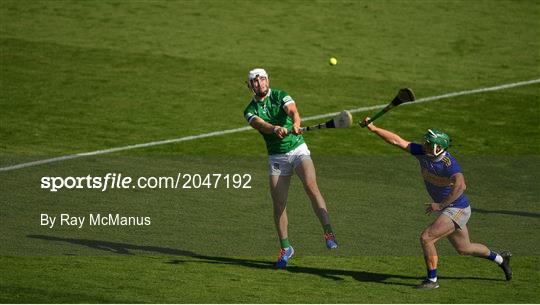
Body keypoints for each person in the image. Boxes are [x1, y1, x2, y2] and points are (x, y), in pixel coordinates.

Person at [361, 117, 512, 289]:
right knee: (465, 248)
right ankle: (501, 259)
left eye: (428, 143)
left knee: (427, 238)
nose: (424, 145)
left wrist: (440, 205)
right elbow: (397, 141)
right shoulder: (423, 153)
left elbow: (461, 185)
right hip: (451, 209)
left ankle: (432, 280)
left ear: (438, 148)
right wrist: (373, 128)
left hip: (457, 209)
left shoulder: (449, 163)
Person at [243, 68, 338, 269]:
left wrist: (296, 123)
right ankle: (286, 248)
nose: (259, 84)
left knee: (311, 186)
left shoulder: (280, 95)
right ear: (249, 85)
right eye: (255, 81)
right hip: (276, 157)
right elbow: (261, 125)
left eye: (262, 80)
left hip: (298, 149)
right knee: (278, 205)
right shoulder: (250, 110)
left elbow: (293, 110)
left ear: (268, 80)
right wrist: (275, 128)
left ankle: (328, 231)